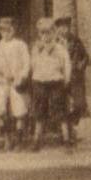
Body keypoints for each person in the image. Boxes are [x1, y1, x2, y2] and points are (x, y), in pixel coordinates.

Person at [0, 16, 31, 149]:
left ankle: (19, 141)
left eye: (9, 29)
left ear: (14, 30)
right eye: (3, 30)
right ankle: (7, 139)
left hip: (16, 83)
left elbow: (27, 63)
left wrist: (21, 77)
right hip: (2, 82)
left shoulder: (20, 45)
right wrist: (0, 70)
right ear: (0, 31)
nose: (6, 33)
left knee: (19, 112)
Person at [29, 16, 72, 151]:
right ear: (39, 34)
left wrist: (66, 79)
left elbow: (67, 64)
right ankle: (36, 141)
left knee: (60, 110)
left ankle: (66, 140)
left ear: (53, 33)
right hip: (40, 82)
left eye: (48, 32)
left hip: (56, 82)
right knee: (39, 112)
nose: (46, 36)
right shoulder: (36, 48)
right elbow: (33, 65)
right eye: (42, 33)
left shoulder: (60, 48)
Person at [55, 15, 90, 144]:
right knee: (62, 105)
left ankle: (71, 126)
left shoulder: (76, 41)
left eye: (66, 27)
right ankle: (66, 133)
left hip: (75, 77)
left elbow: (85, 57)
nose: (64, 30)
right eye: (61, 27)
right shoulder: (54, 42)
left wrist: (81, 65)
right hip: (60, 77)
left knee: (79, 105)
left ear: (69, 28)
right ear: (57, 29)